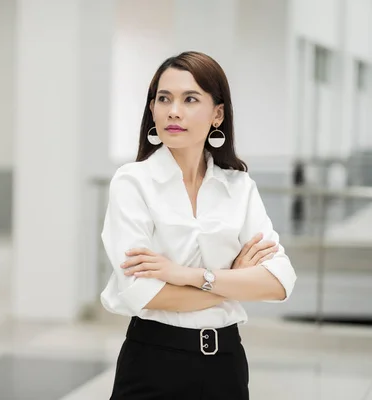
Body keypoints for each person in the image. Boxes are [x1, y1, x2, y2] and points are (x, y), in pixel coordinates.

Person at [100, 51, 297, 399]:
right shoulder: (132, 183)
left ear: (217, 113)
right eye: (164, 99)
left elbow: (280, 282)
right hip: (153, 362)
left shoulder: (239, 187)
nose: (174, 110)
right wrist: (233, 281)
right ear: (152, 110)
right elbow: (144, 293)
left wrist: (186, 275)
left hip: (227, 365)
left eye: (190, 99)